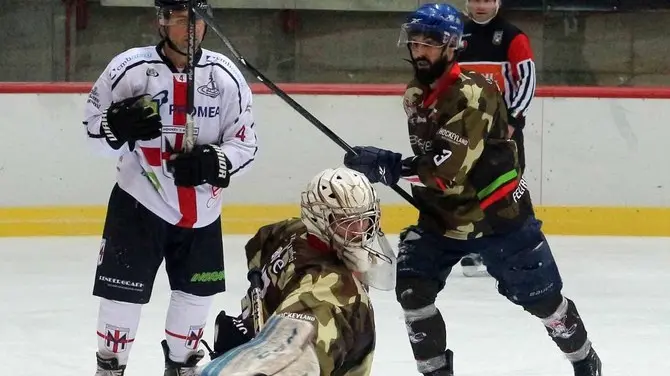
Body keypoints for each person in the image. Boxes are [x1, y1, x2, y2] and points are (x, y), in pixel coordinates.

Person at [343, 3, 601, 376]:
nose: (419, 50)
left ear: (453, 46)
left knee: (544, 302)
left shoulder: (473, 95)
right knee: (413, 292)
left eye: (430, 42)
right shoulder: (416, 94)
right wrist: (397, 169)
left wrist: (391, 166)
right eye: (414, 41)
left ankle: (584, 360)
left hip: (497, 220)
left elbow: (446, 171)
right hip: (442, 220)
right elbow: (436, 164)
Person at [83, 0, 258, 374]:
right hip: (138, 203)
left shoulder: (225, 76)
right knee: (122, 296)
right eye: (180, 20)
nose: (191, 29)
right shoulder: (129, 68)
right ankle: (110, 366)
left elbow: (246, 144)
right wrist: (116, 127)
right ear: (162, 23)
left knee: (196, 296)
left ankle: (183, 365)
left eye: (196, 20)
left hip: (203, 211)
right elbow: (92, 133)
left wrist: (215, 162)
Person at [196, 167, 396, 376]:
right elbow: (295, 354)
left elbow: (259, 242)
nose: (360, 231)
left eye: (365, 219)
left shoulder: (292, 231)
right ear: (319, 219)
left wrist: (250, 326)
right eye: (346, 222)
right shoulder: (327, 287)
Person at [457, 0, 538, 277]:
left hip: (503, 128)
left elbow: (526, 79)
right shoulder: (457, 35)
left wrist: (514, 119)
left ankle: (517, 244)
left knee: (509, 183)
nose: (481, 5)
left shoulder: (513, 36)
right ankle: (474, 244)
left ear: (497, 3)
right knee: (468, 183)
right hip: (467, 126)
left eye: (487, 0)